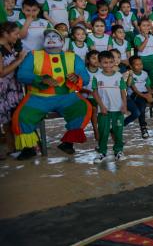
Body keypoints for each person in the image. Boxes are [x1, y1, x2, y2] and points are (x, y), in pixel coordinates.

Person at [13, 29, 91, 160]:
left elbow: (85, 77)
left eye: (55, 36)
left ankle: (68, 143)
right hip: (39, 97)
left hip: (67, 97)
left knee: (83, 108)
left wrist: (77, 77)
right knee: (21, 116)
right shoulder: (33, 55)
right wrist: (41, 79)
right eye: (47, 36)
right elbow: (21, 75)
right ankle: (29, 148)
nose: (50, 38)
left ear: (62, 42)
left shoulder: (72, 57)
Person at [92, 50, 127, 162]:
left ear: (114, 62)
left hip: (118, 109)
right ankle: (102, 152)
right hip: (104, 110)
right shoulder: (97, 77)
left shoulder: (118, 76)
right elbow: (95, 93)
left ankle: (118, 151)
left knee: (118, 131)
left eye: (111, 62)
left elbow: (123, 91)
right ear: (100, 64)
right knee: (103, 131)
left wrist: (124, 105)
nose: (108, 65)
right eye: (105, 62)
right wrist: (101, 106)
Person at [0, 23, 27, 159]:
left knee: (13, 118)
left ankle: (17, 147)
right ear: (5, 33)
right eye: (15, 34)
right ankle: (11, 148)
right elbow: (2, 72)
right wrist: (20, 59)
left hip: (14, 87)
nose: (18, 36)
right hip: (3, 88)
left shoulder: (10, 46)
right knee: (6, 120)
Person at [124, 55, 153, 138]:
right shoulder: (130, 75)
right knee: (141, 106)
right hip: (135, 94)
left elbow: (147, 85)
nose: (140, 66)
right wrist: (146, 97)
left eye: (141, 64)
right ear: (131, 66)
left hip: (145, 93)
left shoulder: (145, 73)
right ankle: (143, 127)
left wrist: (150, 93)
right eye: (137, 65)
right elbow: (134, 89)